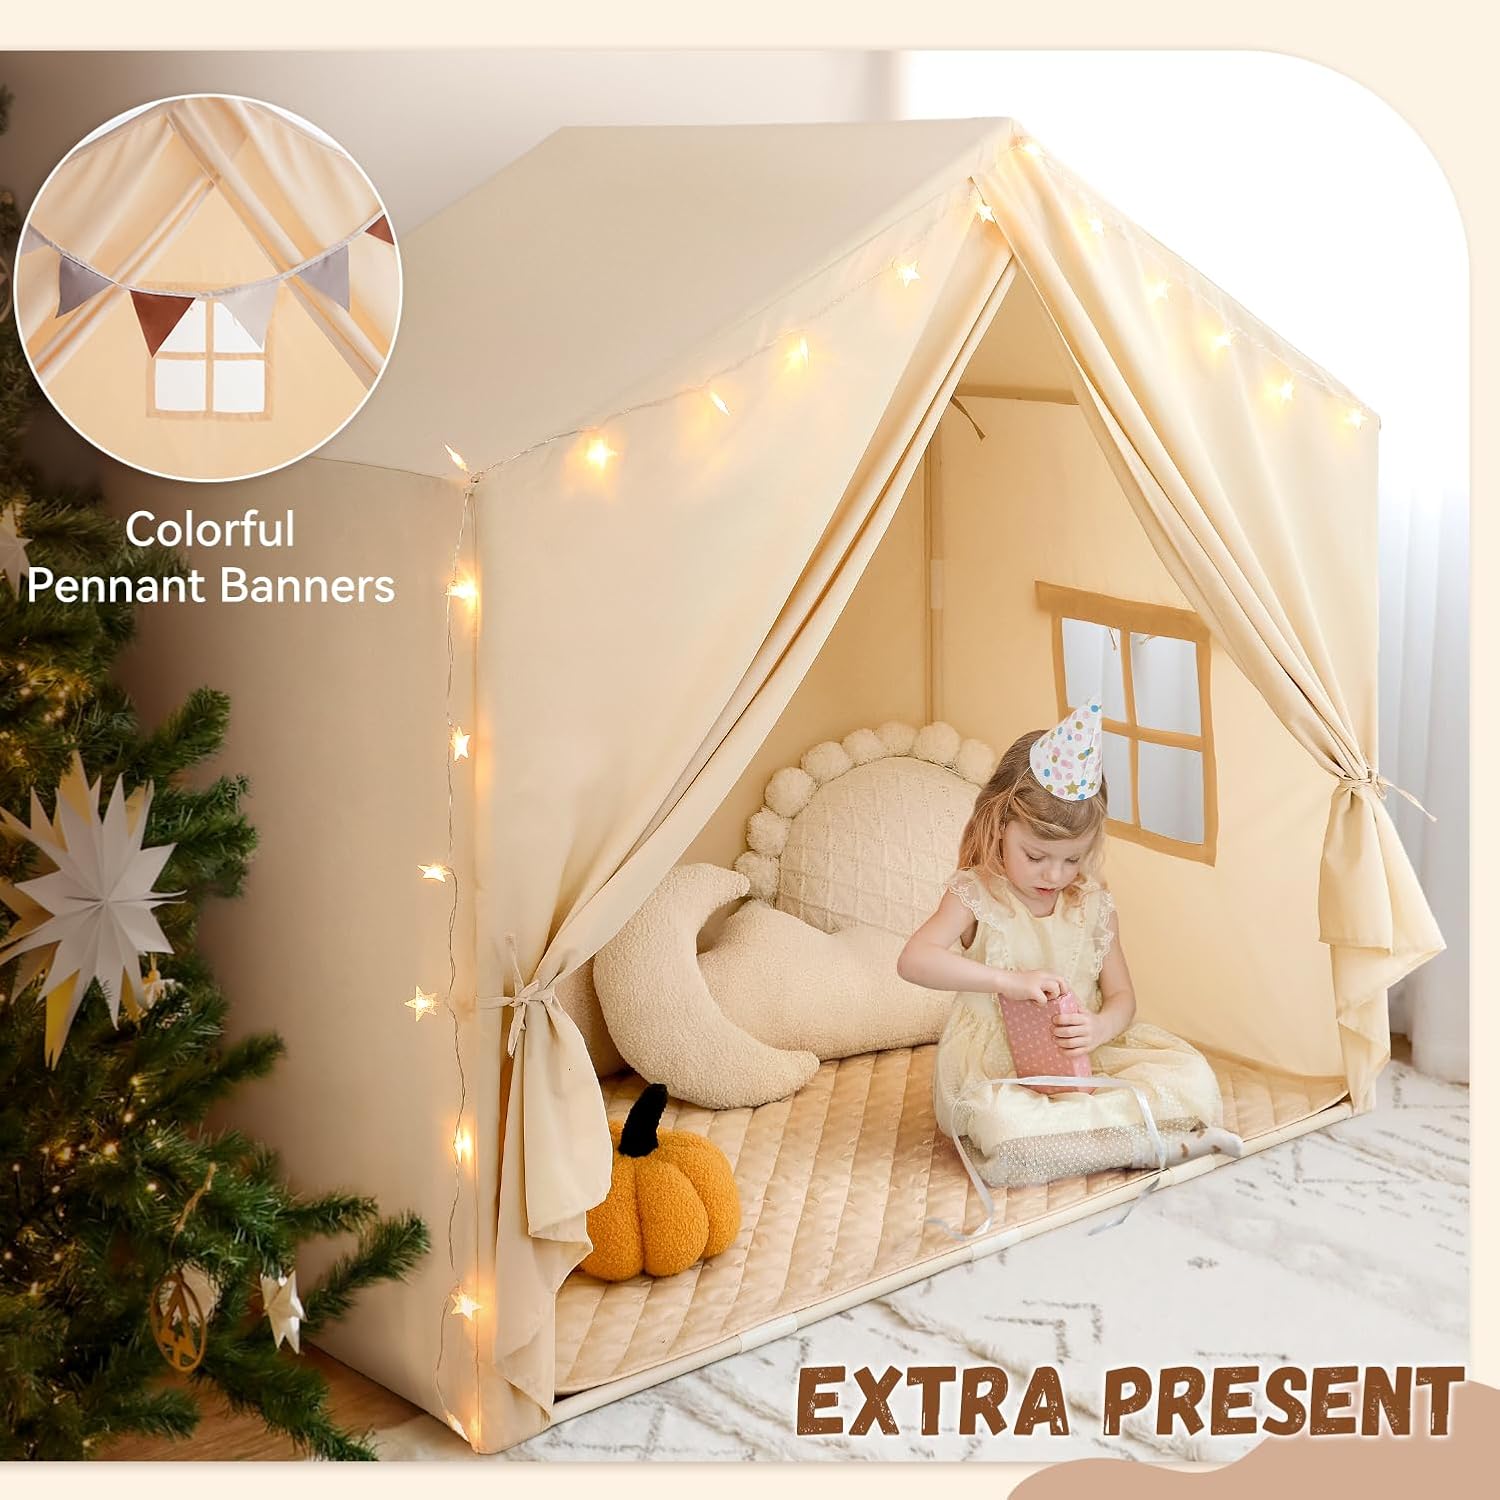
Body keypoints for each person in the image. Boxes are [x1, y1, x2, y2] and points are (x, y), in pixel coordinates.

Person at [898, 701, 1242, 1192]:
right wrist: (1006, 982)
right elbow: (914, 960)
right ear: (1000, 826)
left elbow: (1122, 997)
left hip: (1086, 1058)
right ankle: (1151, 1145)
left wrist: (1100, 1028)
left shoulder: (1092, 905)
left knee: (1193, 1079)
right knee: (1003, 1125)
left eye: (1072, 860)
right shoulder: (976, 894)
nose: (1054, 875)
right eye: (1035, 856)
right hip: (998, 1070)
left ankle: (1115, 1140)